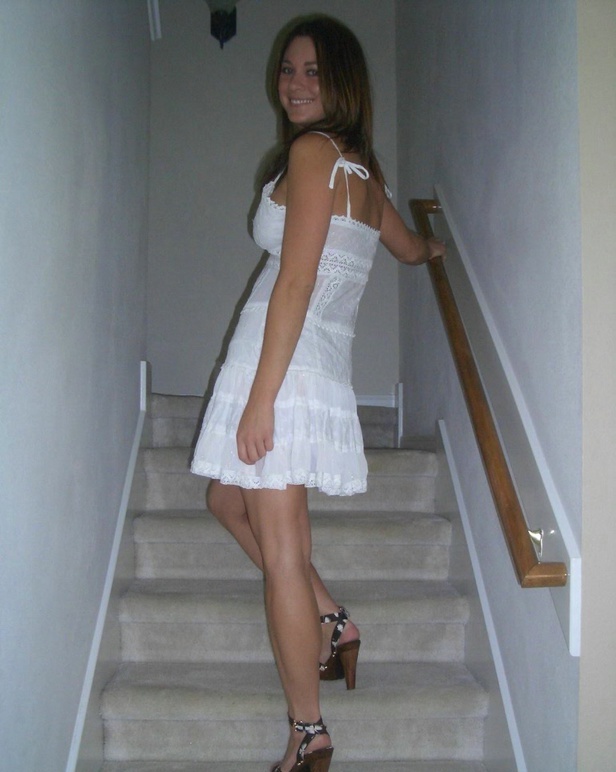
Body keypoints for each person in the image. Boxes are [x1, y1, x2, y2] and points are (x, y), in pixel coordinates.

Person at [190, 14, 446, 772]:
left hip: (279, 368)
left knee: (282, 554)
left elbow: (295, 282)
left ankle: (309, 733)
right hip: (314, 368)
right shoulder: (367, 177)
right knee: (225, 501)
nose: (294, 84)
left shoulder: (312, 154)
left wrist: (261, 399)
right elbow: (408, 248)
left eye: (311, 71)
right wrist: (438, 246)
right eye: (287, 70)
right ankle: (332, 617)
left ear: (342, 83)